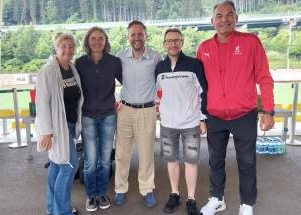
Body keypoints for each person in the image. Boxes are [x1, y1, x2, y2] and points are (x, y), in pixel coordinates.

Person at [196, 1, 275, 215]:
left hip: (244, 115)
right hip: (215, 116)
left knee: (247, 161)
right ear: (212, 21)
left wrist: (268, 110)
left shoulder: (251, 42)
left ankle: (247, 204)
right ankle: (216, 199)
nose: (224, 19)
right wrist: (201, 116)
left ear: (236, 19)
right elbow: (199, 86)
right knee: (215, 160)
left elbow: (264, 77)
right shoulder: (204, 48)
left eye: (229, 14)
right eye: (219, 16)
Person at [155, 28, 207, 215]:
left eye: (177, 40)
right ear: (164, 44)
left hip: (191, 123)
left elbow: (204, 92)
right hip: (168, 123)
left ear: (182, 42)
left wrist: (203, 118)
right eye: (169, 41)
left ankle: (191, 199)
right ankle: (174, 194)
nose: (173, 44)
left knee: (191, 162)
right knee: (172, 161)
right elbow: (157, 92)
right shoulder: (159, 68)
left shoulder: (194, 64)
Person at [114, 20, 162, 208]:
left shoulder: (155, 57)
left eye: (140, 34)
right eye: (133, 34)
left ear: (145, 35)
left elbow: (160, 80)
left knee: (146, 153)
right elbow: (115, 79)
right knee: (122, 154)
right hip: (125, 110)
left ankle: (147, 189)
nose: (136, 38)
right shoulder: (121, 57)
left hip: (147, 110)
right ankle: (120, 189)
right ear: (128, 37)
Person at [75, 26, 122, 212]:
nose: (96, 41)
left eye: (100, 38)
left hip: (108, 116)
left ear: (105, 41)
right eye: (93, 38)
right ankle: (91, 196)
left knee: (104, 159)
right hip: (87, 116)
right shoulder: (79, 63)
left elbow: (129, 81)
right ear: (87, 41)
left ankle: (102, 193)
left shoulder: (114, 62)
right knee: (90, 160)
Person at [35, 32, 84, 215]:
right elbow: (42, 103)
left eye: (71, 46)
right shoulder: (48, 71)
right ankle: (61, 211)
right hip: (56, 129)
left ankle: (52, 207)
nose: (67, 50)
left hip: (69, 125)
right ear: (56, 48)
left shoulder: (71, 68)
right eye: (63, 46)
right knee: (69, 165)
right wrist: (47, 132)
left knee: (56, 165)